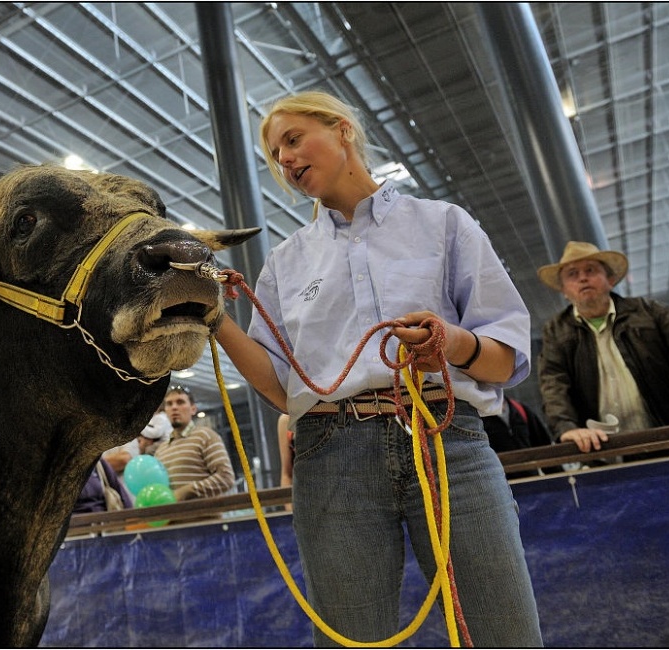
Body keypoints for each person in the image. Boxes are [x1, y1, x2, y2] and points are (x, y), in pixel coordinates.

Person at [214, 90, 542, 646]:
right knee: (350, 638)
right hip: (329, 453)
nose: (286, 160)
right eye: (275, 155)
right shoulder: (284, 262)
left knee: (503, 632)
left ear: (342, 129)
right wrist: (213, 317)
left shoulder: (444, 224)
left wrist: (452, 342)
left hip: (447, 440)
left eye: (293, 139)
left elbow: (505, 357)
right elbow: (280, 388)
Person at [537, 240, 669, 453]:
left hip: (663, 435)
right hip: (602, 450)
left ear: (610, 279)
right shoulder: (555, 332)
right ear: (564, 290)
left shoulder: (648, 312)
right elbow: (554, 382)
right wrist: (566, 427)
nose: (582, 278)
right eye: (572, 274)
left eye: (590, 270)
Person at [153, 385, 235, 502]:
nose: (174, 407)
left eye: (180, 402)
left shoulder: (206, 436)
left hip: (205, 519)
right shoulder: (161, 450)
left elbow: (226, 478)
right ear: (165, 411)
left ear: (193, 409)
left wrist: (187, 491)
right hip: (173, 519)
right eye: (169, 404)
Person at [482, 396, 555, 454]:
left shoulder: (520, 408)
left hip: (531, 470)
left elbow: (543, 447)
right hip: (499, 471)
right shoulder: (478, 419)